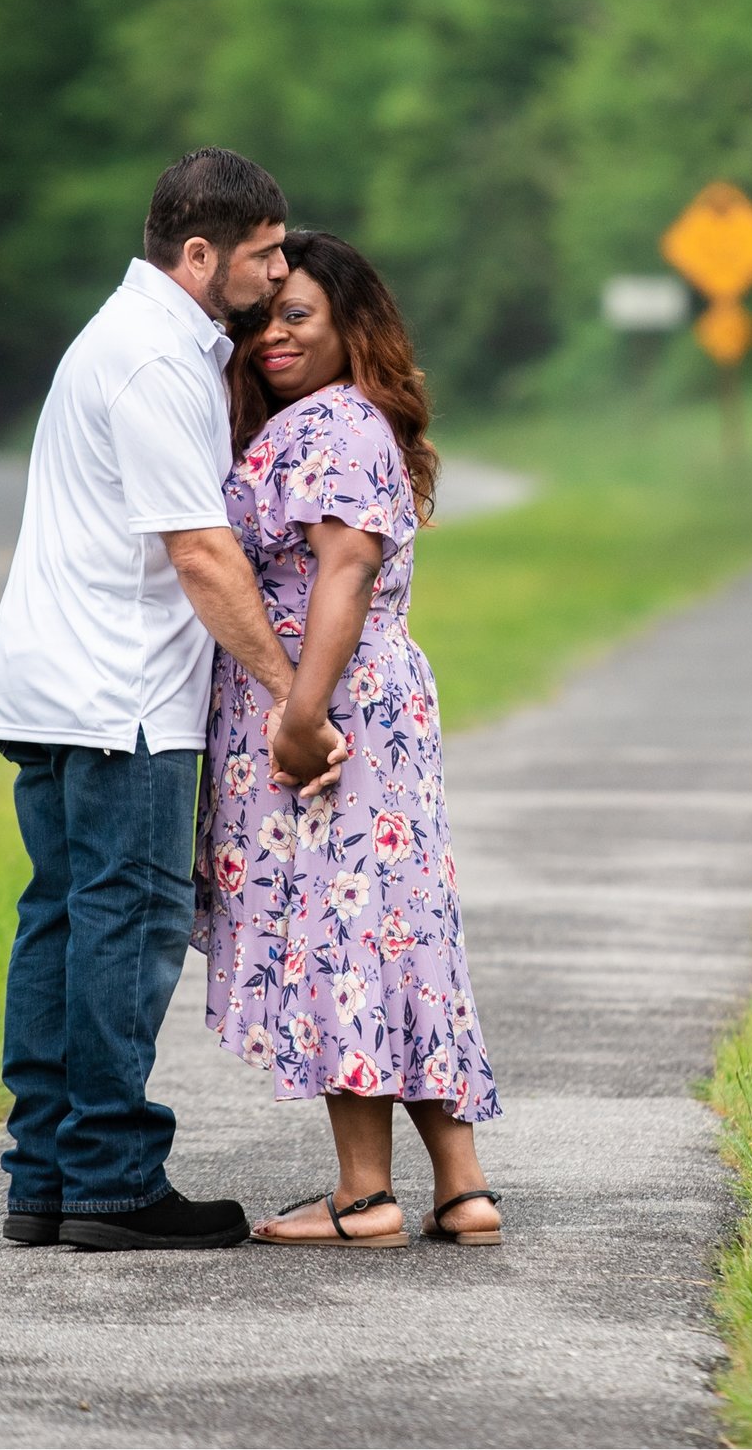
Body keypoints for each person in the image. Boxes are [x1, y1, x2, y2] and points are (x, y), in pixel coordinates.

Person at [0, 149, 344, 1252]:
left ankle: (43, 1177)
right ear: (201, 253)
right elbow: (199, 551)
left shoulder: (134, 341)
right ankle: (111, 1176)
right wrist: (292, 698)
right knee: (124, 929)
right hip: (119, 697)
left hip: (59, 687)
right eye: (265, 251)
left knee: (61, 919)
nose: (278, 271)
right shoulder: (152, 360)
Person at [193, 230, 503, 1248]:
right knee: (398, 935)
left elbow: (345, 570)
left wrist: (298, 711)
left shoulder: (331, 424)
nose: (272, 335)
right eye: (261, 320)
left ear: (348, 328)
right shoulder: (343, 421)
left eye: (298, 317)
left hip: (329, 713)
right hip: (368, 706)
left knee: (343, 937)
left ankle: (364, 1195)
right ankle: (461, 1188)